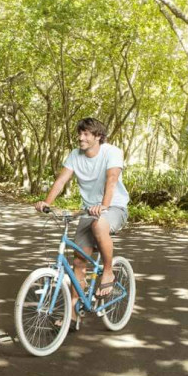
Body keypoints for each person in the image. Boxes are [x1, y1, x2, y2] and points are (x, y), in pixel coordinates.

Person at [34, 117, 129, 302]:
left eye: (86, 134)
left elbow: (111, 180)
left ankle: (108, 272)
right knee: (78, 261)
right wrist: (47, 202)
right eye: (79, 133)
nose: (81, 137)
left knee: (99, 225)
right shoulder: (75, 155)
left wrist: (104, 206)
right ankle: (74, 311)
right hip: (89, 211)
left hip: (114, 206)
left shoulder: (112, 152)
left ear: (98, 136)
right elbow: (61, 181)